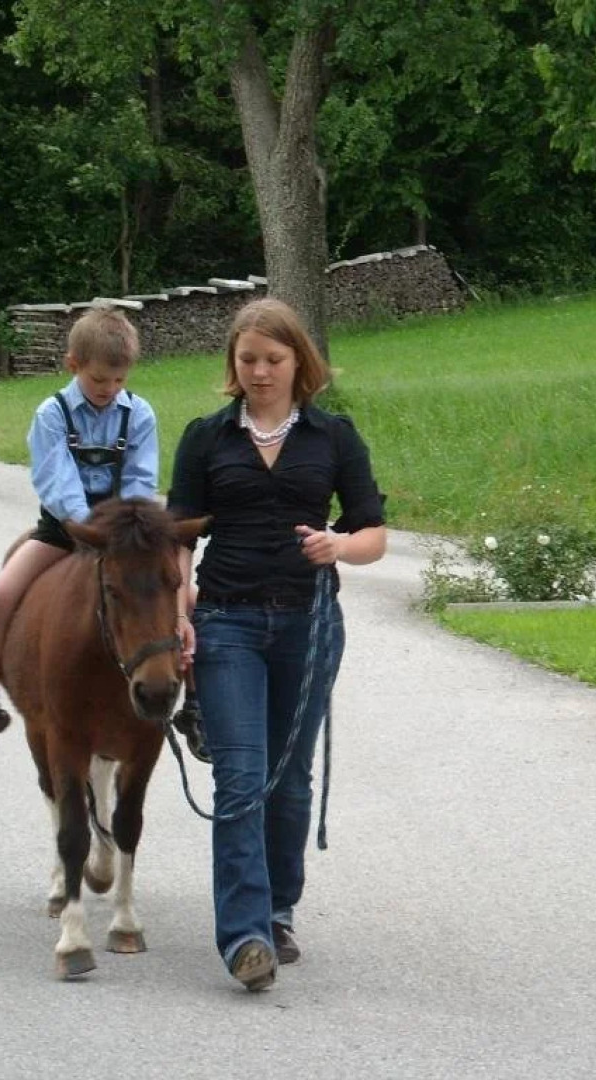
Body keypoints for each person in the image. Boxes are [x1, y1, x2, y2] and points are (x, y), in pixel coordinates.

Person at [167, 298, 387, 991]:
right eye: (248, 360)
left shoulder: (334, 436)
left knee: (288, 781)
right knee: (240, 775)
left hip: (310, 622)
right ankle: (245, 938)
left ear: (300, 363)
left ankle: (279, 908)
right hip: (227, 619)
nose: (260, 372)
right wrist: (182, 610)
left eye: (273, 360)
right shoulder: (207, 438)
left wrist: (338, 545)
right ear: (232, 365)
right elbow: (179, 538)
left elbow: (374, 535)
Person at [0, 306, 158, 758]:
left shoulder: (139, 415)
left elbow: (140, 483)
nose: (108, 391)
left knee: (180, 596)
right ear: (73, 365)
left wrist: (123, 532)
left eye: (118, 381)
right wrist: (88, 530)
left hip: (122, 534)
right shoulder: (52, 415)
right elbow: (57, 483)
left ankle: (192, 705)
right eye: (98, 381)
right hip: (62, 532)